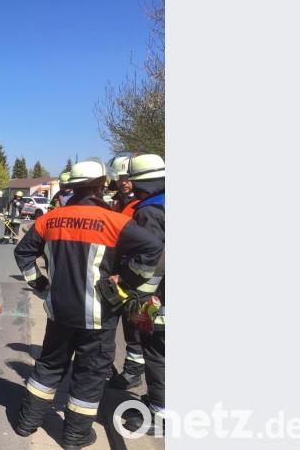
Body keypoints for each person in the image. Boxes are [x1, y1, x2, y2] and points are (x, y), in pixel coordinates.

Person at [12, 158, 163, 449]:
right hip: (98, 315)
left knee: (49, 366)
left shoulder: (49, 219)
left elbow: (23, 253)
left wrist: (40, 284)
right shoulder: (114, 221)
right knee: (90, 374)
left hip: (58, 311)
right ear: (101, 185)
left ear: (71, 187)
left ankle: (26, 422)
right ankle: (75, 435)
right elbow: (153, 247)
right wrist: (128, 278)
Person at [120, 154, 166, 434]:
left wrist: (127, 283)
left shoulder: (150, 212)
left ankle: (161, 415)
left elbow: (150, 260)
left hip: (159, 297)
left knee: (157, 352)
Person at [105, 154, 145, 390]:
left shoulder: (141, 206)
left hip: (133, 272)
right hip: (115, 270)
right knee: (110, 319)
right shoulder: (117, 203)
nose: (124, 182)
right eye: (120, 178)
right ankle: (105, 364)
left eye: (128, 178)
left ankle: (133, 370)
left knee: (133, 322)